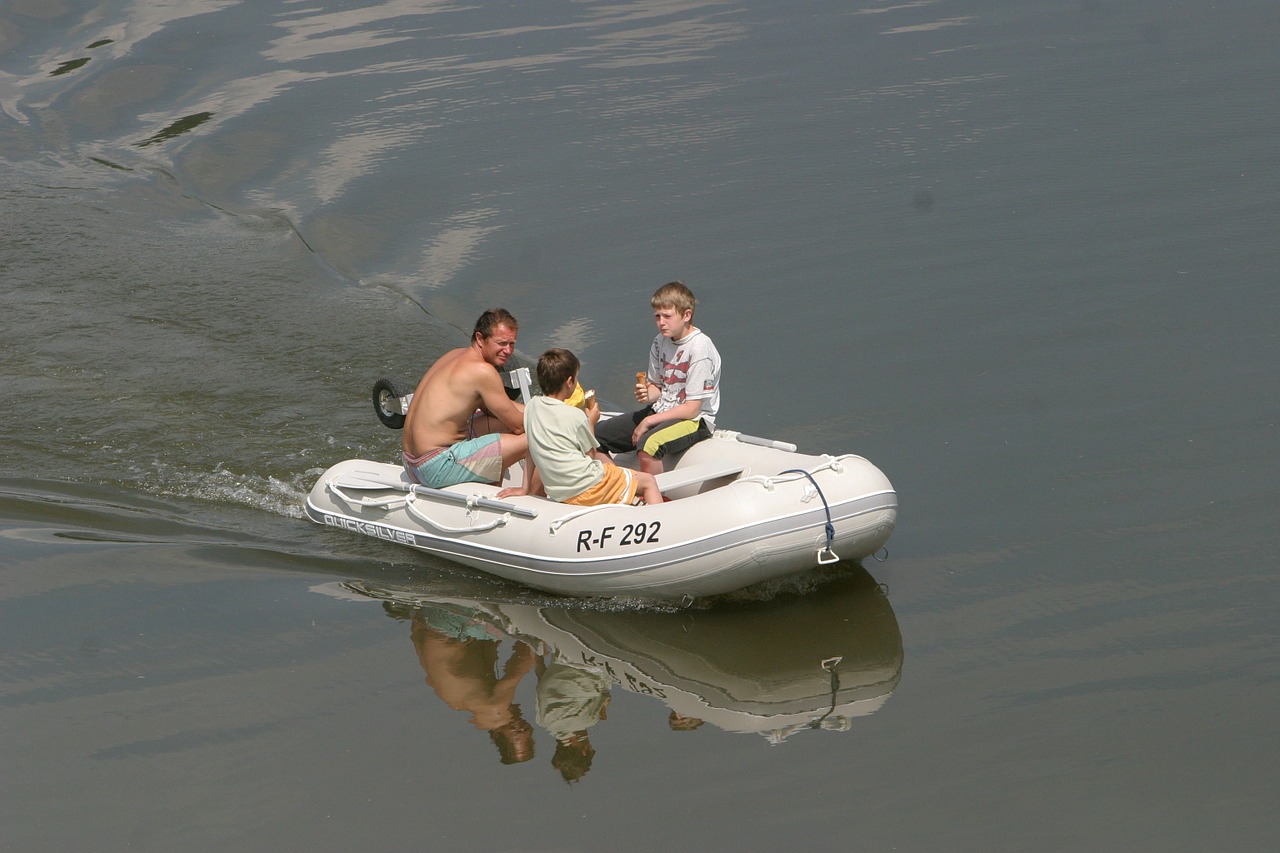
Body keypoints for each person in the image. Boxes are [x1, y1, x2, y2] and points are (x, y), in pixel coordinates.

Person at [402, 308, 537, 497]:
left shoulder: (455, 355)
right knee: (538, 435)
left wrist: (541, 411)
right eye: (502, 343)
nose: (508, 351)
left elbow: (498, 409)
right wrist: (555, 423)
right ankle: (537, 497)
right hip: (435, 467)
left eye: (512, 344)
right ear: (480, 339)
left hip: (411, 462)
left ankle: (490, 481)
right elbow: (517, 425)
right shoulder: (482, 371)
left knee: (510, 424)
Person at [595, 281, 721, 476]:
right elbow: (658, 387)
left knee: (649, 446)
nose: (661, 322)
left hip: (695, 420)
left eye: (667, 316)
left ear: (686, 315)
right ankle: (618, 484)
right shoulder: (659, 342)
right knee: (593, 435)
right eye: (657, 316)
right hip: (661, 409)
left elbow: (692, 408)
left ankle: (654, 497)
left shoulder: (700, 348)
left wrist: (648, 422)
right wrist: (648, 393)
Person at [524, 348, 662, 506]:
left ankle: (626, 499)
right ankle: (661, 523)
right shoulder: (576, 416)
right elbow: (590, 455)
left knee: (615, 474)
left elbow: (531, 449)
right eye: (576, 379)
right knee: (648, 482)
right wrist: (590, 422)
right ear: (569, 382)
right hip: (590, 487)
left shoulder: (531, 406)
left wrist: (524, 488)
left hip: (561, 492)